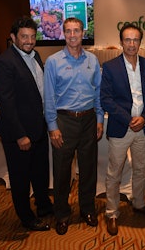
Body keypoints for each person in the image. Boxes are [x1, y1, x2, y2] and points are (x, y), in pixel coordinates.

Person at [44, 17, 104, 235]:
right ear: (63, 33)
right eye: (68, 31)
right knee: (61, 172)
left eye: (76, 31)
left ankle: (87, 209)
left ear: (83, 32)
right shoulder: (53, 62)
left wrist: (99, 119)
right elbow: (48, 98)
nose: (72, 35)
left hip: (89, 120)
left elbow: (98, 92)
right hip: (64, 121)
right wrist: (52, 126)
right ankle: (61, 214)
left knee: (88, 169)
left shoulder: (93, 60)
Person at [0, 16, 53, 231]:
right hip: (19, 134)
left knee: (40, 172)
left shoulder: (35, 56)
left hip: (38, 129)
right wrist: (20, 135)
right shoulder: (4, 63)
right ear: (13, 38)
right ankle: (26, 217)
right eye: (24, 37)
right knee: (20, 179)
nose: (29, 41)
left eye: (32, 36)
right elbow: (5, 103)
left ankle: (44, 205)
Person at [100, 23, 145, 236]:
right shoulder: (110, 67)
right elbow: (105, 99)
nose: (132, 44)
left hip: (143, 128)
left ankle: (139, 203)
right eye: (127, 40)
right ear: (121, 42)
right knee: (114, 172)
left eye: (135, 40)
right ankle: (112, 212)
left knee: (141, 169)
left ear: (140, 42)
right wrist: (129, 119)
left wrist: (143, 119)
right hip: (121, 127)